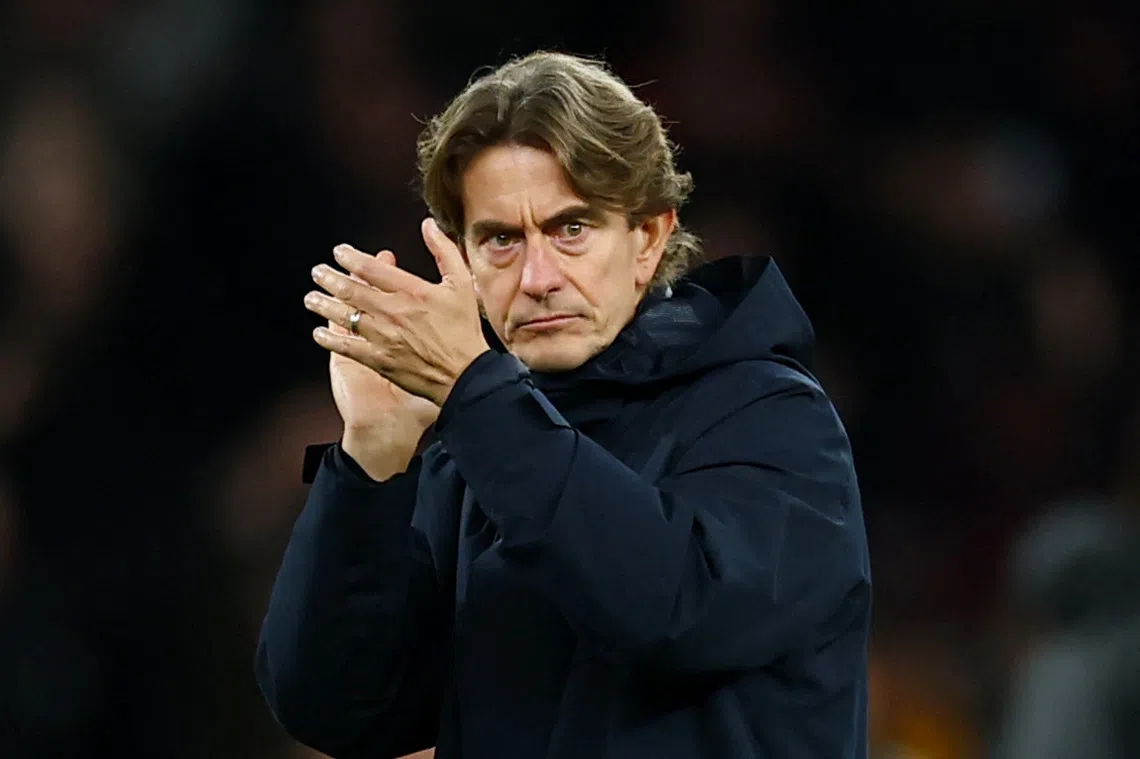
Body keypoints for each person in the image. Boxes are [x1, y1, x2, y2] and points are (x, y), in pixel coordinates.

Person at [255, 51, 871, 759]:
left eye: (570, 228)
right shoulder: (473, 448)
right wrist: (369, 461)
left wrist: (478, 400)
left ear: (648, 238)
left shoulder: (773, 416)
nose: (539, 277)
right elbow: (332, 705)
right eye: (501, 239)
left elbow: (666, 607)